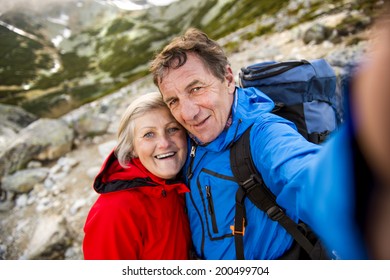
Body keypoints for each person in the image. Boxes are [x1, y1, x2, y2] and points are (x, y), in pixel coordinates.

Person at [150, 27, 324, 260]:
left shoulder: (264, 133)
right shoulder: (185, 139)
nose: (188, 113)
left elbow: (306, 173)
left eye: (196, 89)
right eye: (174, 101)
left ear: (228, 79)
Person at [82, 91, 192, 260]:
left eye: (172, 129)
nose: (164, 143)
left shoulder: (179, 183)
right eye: (149, 134)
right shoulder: (115, 211)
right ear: (132, 148)